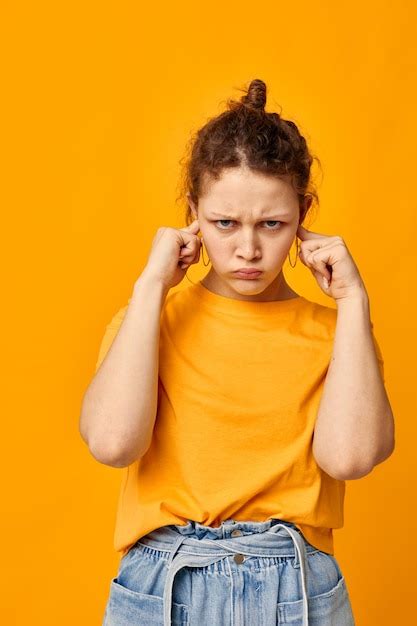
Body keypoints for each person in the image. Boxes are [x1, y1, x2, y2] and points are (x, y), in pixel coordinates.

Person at [79, 78, 395, 626]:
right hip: (163, 581)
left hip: (293, 583)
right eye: (225, 223)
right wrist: (152, 285)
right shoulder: (150, 321)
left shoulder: (336, 333)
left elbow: (351, 459)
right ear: (193, 212)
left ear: (304, 213)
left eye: (272, 224)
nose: (248, 248)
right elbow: (111, 444)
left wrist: (354, 300)